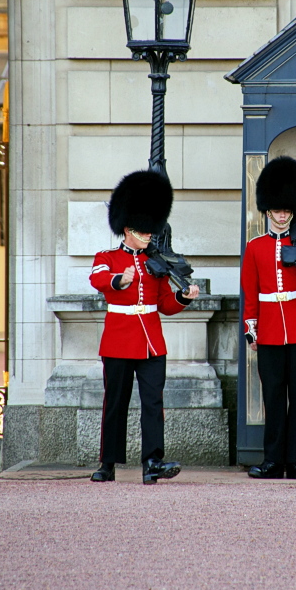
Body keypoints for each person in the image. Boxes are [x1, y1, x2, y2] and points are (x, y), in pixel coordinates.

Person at [89, 170, 199, 484]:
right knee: (116, 405)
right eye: (143, 230)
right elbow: (97, 278)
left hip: (151, 342)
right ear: (127, 228)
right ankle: (107, 463)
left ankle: (152, 462)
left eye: (151, 228)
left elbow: (165, 304)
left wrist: (183, 296)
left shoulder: (156, 262)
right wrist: (117, 280)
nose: (149, 234)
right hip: (119, 340)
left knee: (153, 403)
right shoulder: (108, 257)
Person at [241, 156, 296, 480]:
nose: (282, 214)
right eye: (277, 209)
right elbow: (250, 294)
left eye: (287, 209)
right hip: (270, 333)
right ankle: (273, 460)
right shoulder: (256, 247)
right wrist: (252, 331)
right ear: (268, 210)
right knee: (273, 399)